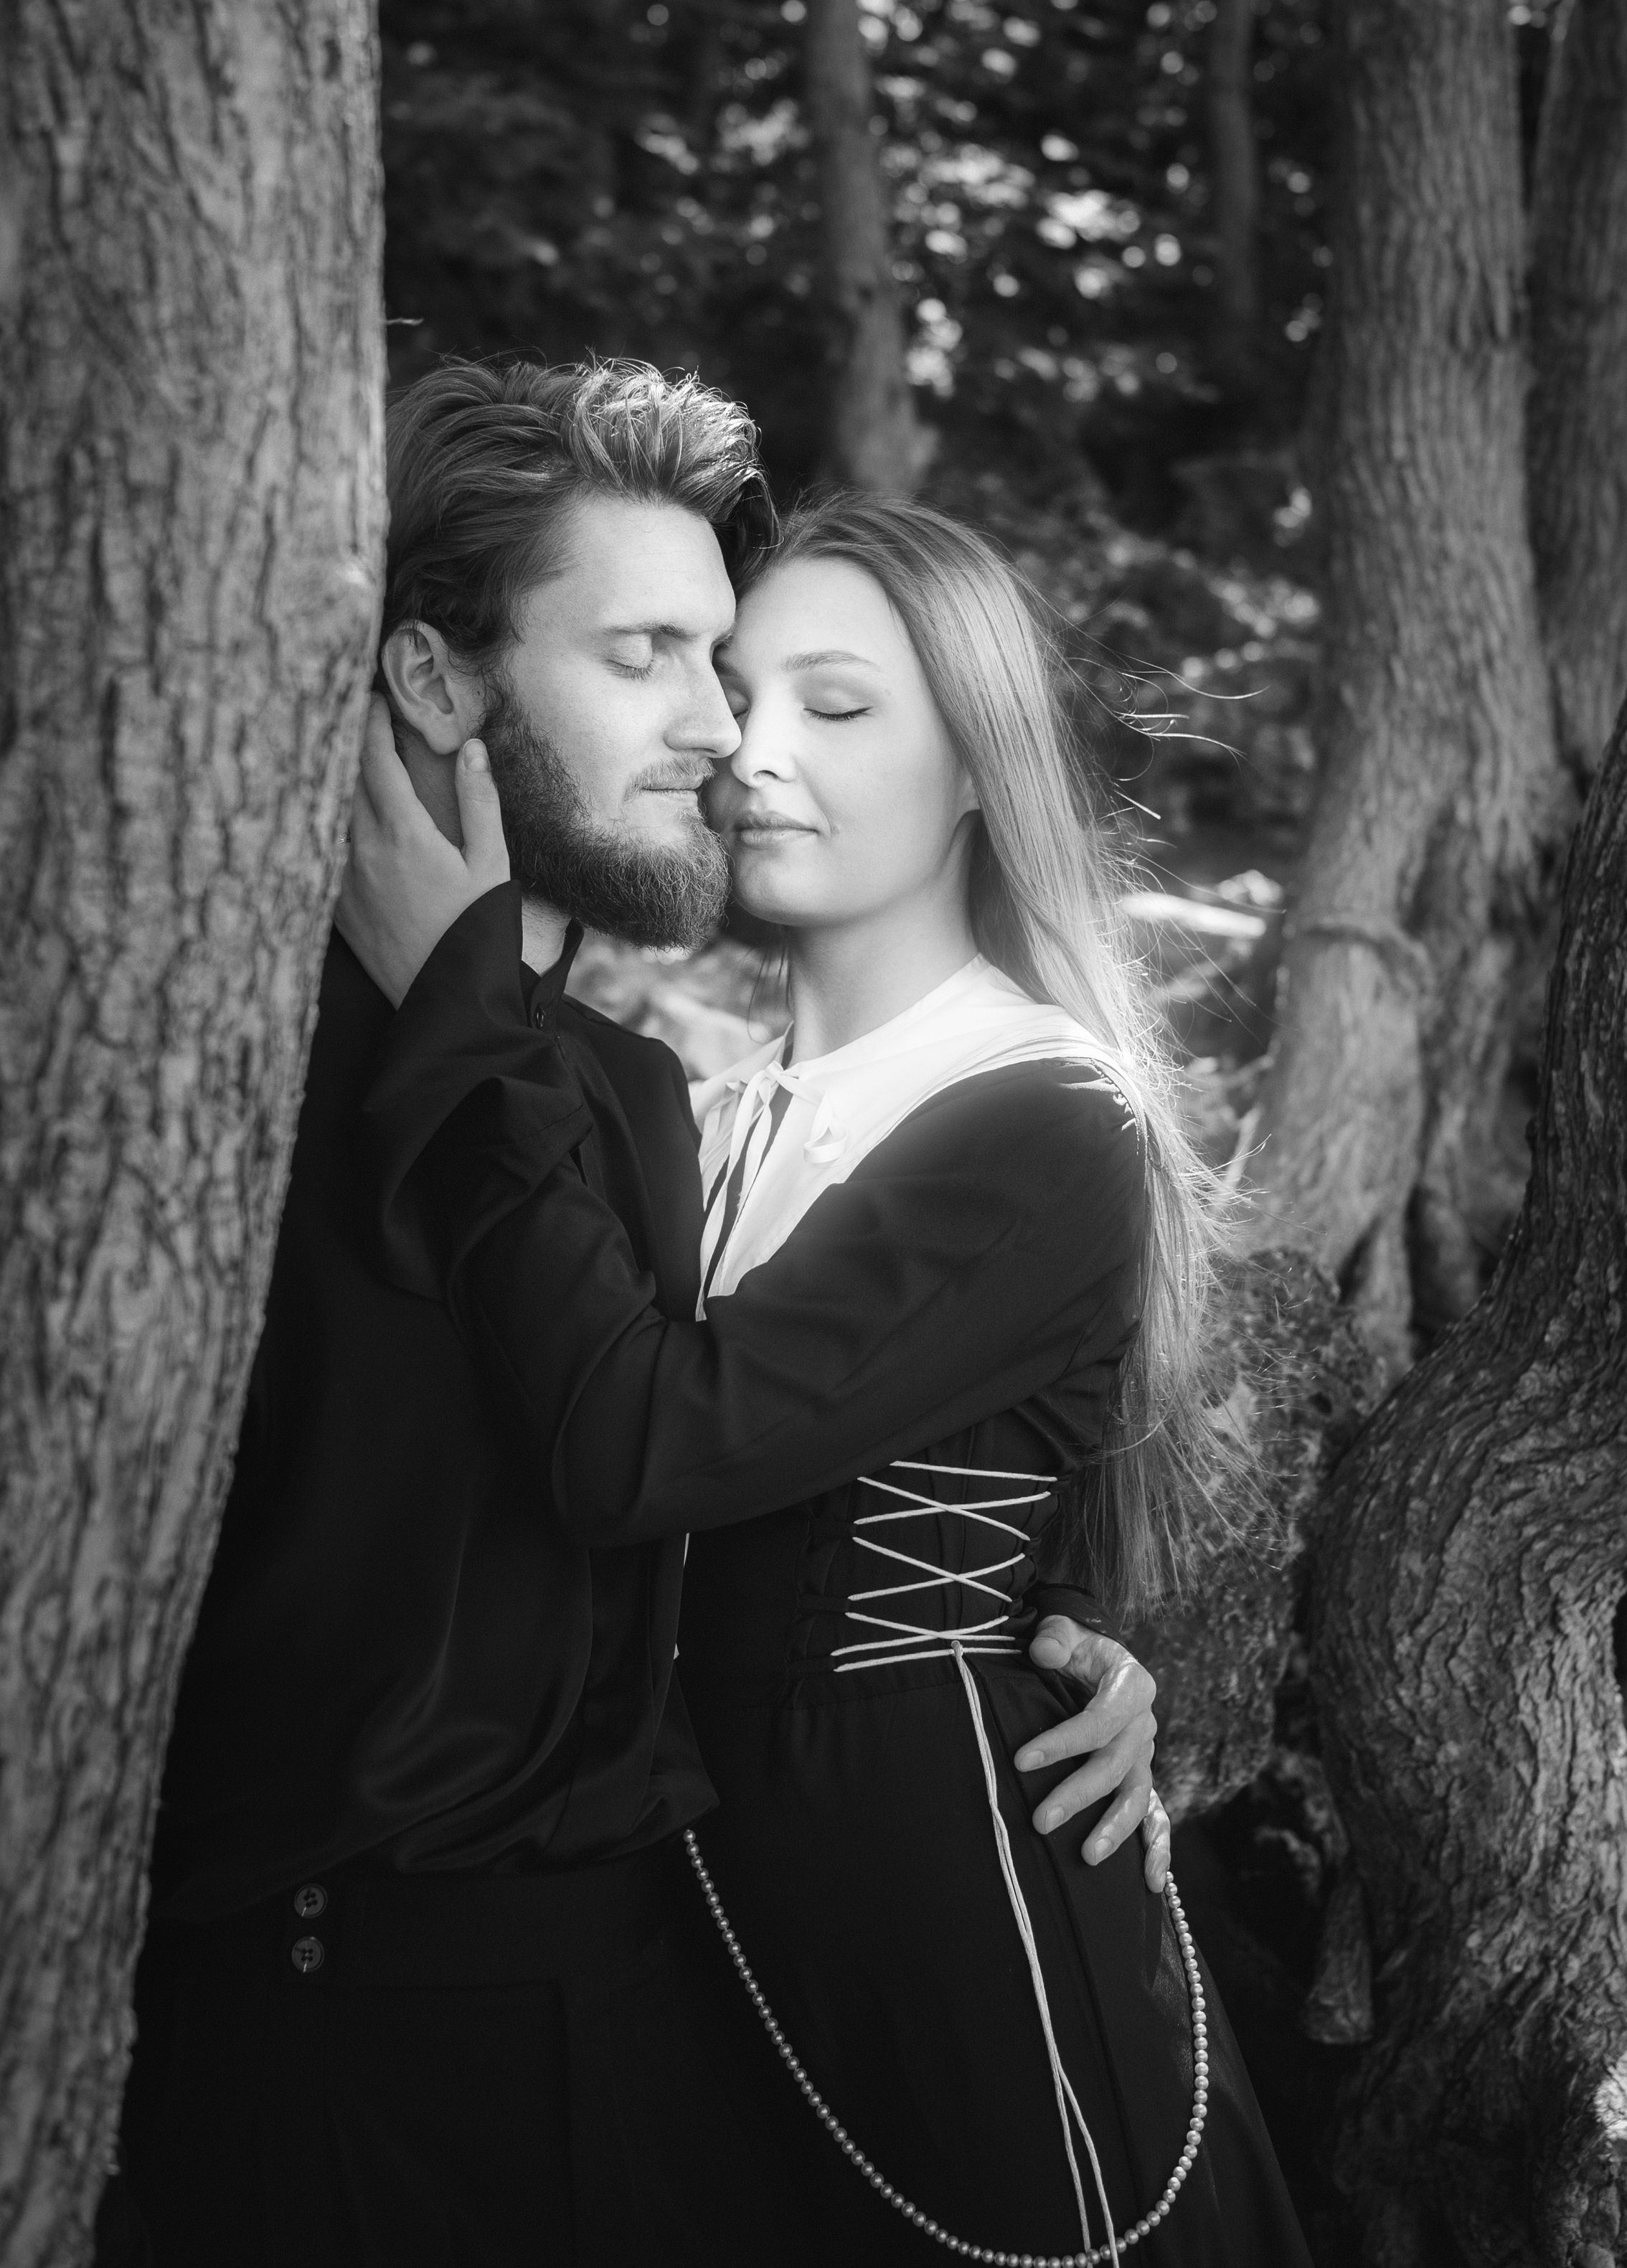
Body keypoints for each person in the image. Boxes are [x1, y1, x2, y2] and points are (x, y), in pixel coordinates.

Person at [108, 360, 1167, 2268]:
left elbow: (725, 1464)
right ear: (435, 682)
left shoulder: (620, 1096)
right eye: (654, 658)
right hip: (339, 2038)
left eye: (745, 673)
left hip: (682, 2017)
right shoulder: (224, 1070)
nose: (721, 731)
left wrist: (1039, 1630)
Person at [336, 485, 1314, 2264]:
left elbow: (646, 1447)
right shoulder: (685, 1117)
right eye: (732, 690)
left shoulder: (1047, 1115)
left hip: (958, 1961)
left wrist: (456, 1009)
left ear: (980, 766)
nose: (749, 749)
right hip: (688, 1964)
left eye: (838, 705)